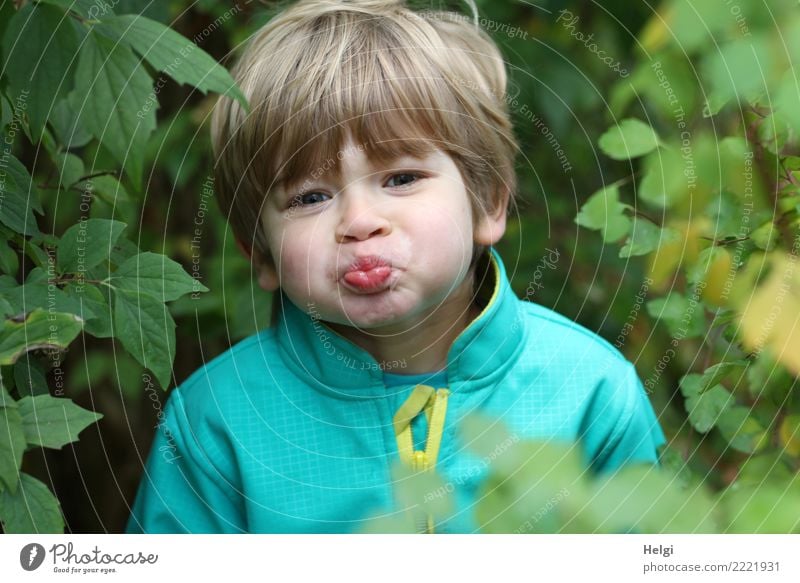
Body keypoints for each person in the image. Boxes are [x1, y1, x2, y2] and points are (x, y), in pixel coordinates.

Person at [126, 0, 666, 534]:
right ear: (260, 253)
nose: (360, 221)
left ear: (488, 202)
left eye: (401, 178)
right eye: (310, 196)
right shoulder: (216, 422)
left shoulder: (588, 390)